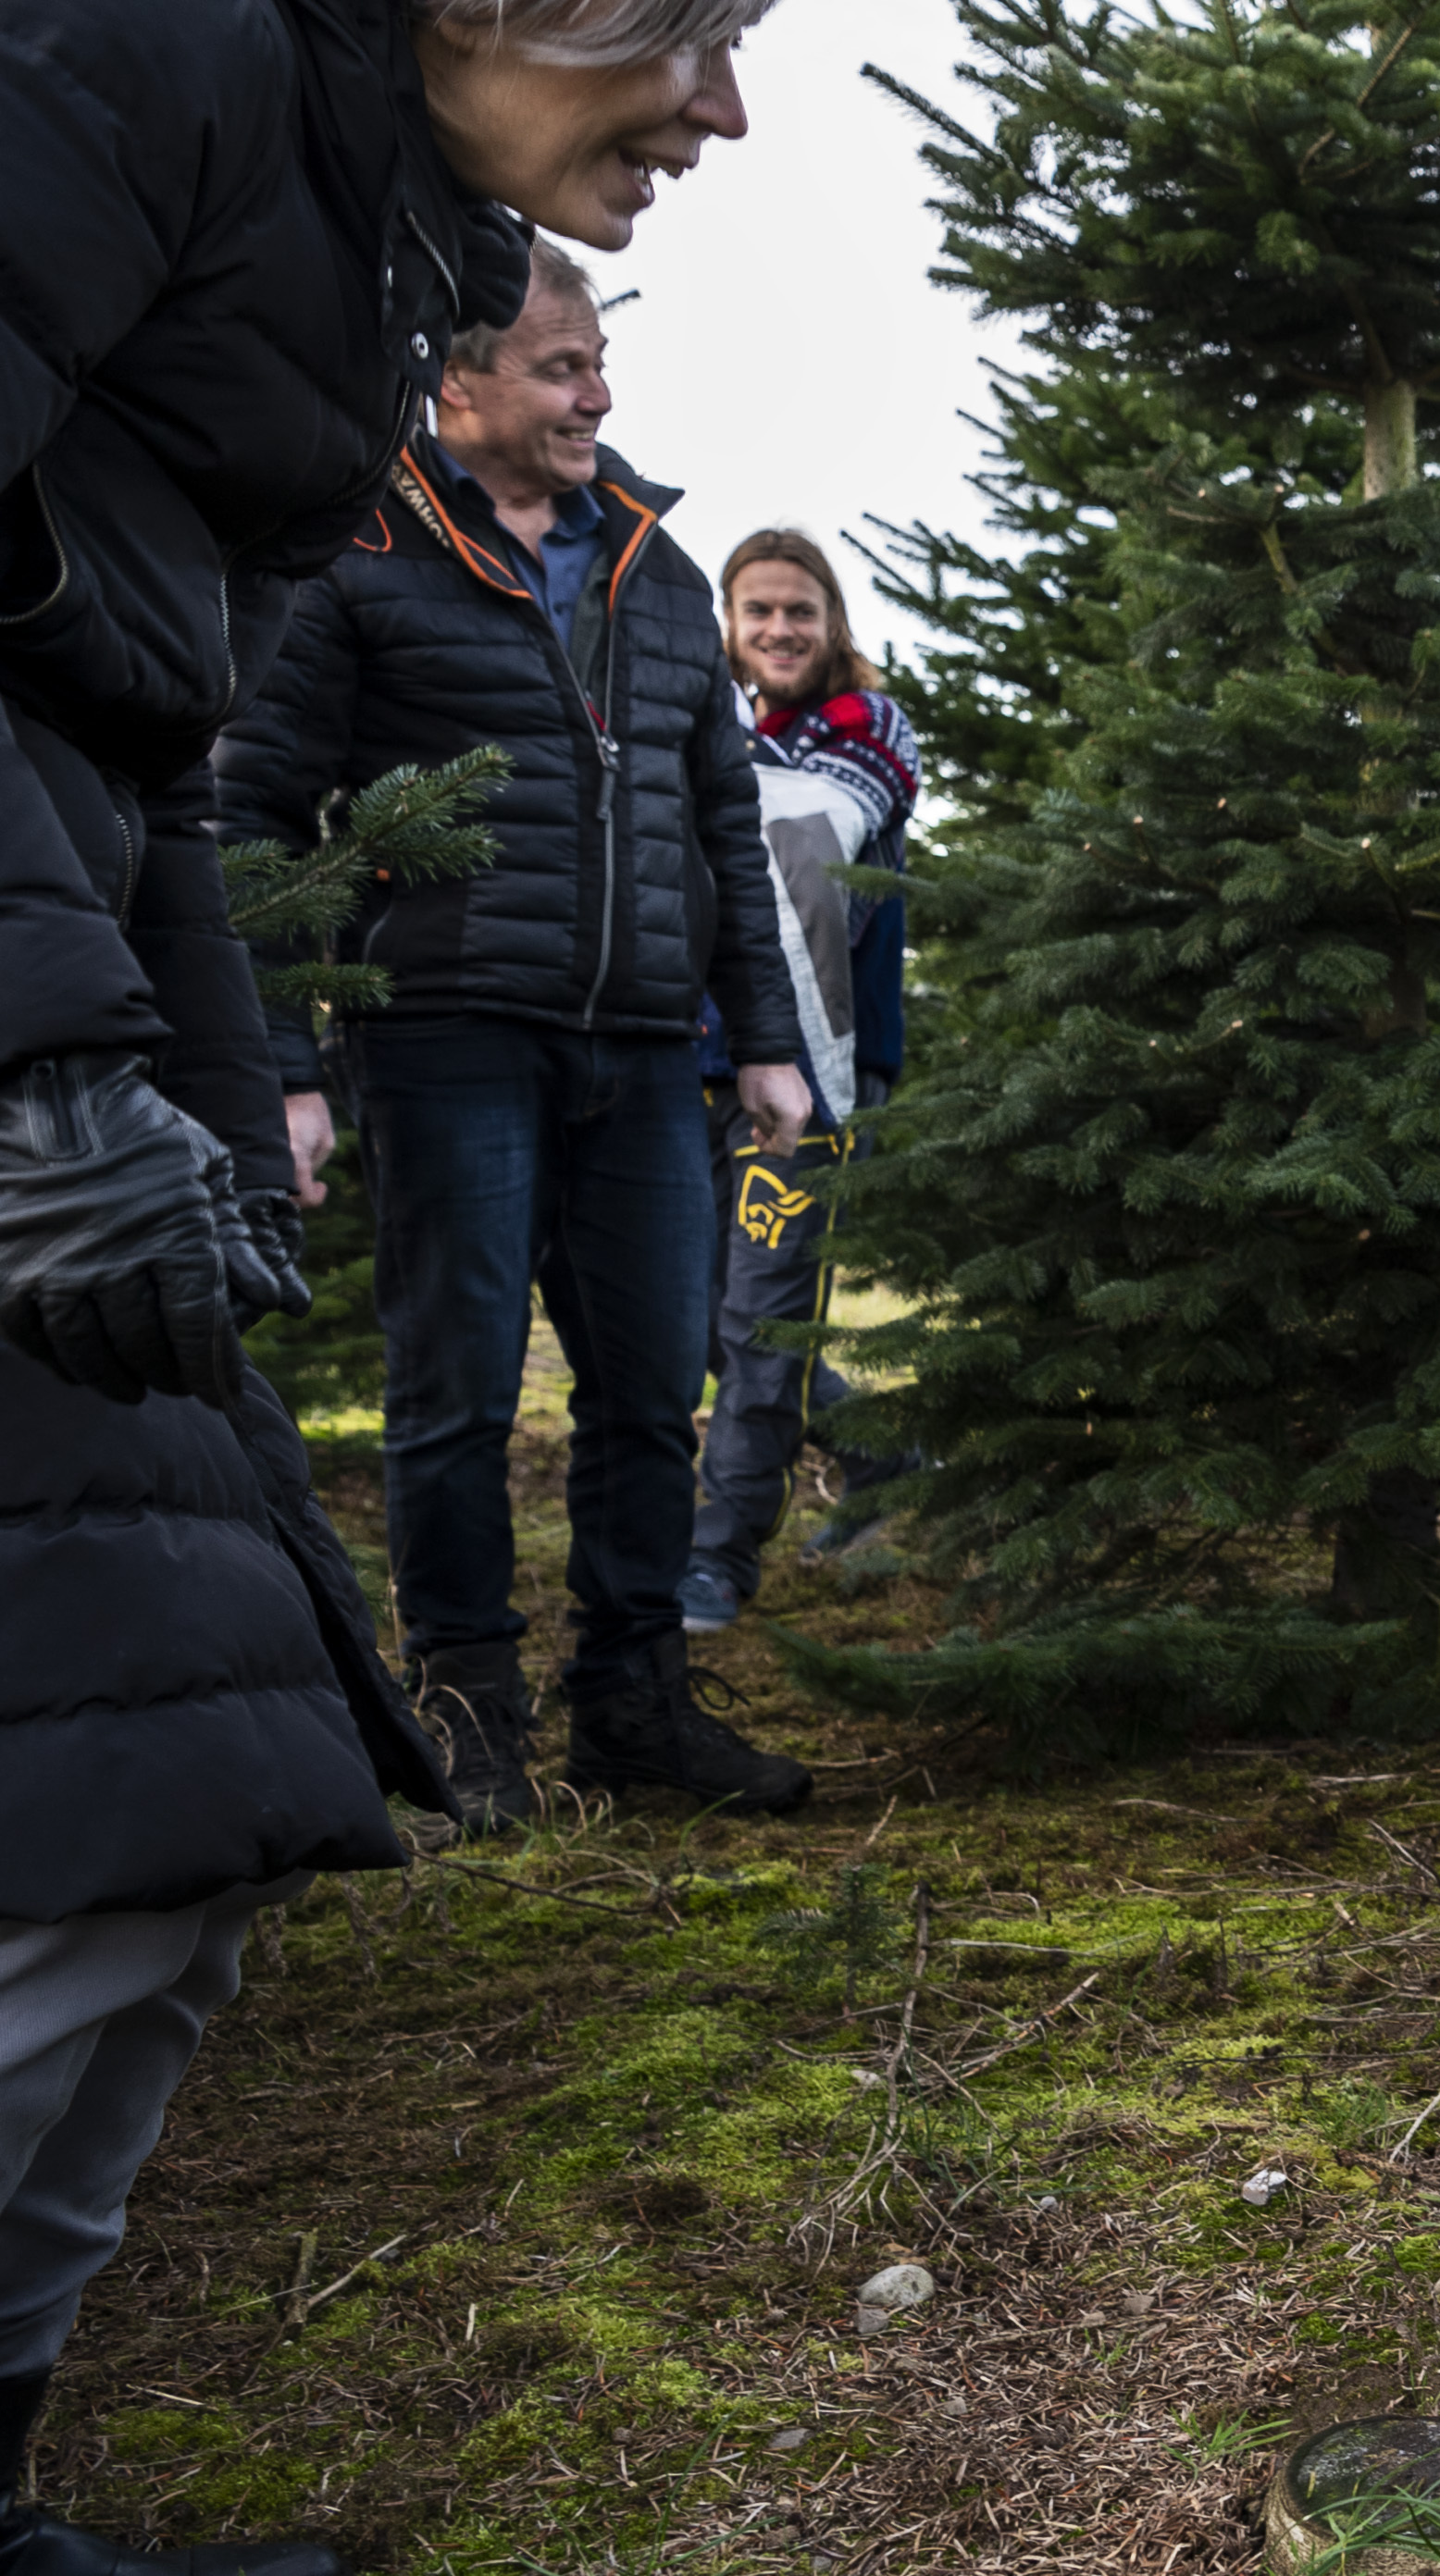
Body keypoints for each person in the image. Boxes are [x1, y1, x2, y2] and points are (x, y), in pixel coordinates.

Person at [0, 5, 773, 2570]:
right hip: (149, 1047)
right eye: (693, 22)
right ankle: (492, 1678)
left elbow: (131, 743)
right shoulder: (135, 63)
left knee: (183, 1804)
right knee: (117, 1792)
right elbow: (243, 757)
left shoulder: (358, 227)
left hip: (138, 1025)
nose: (723, 106)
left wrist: (188, 1097)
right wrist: (46, 1063)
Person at [218, 242, 818, 1832]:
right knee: (459, 1389)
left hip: (642, 1049)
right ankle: (466, 1708)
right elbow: (256, 817)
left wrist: (763, 1037)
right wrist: (283, 1062)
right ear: (458, 383)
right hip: (448, 1043)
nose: (597, 395)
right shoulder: (359, 557)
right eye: (562, 369)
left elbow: (718, 822)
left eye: (600, 366)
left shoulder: (659, 569)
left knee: (647, 1389)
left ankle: (634, 1702)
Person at [679, 530, 919, 1634]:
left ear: (833, 624)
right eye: (757, 611)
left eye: (800, 611)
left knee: (764, 1322)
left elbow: (803, 839)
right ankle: (885, 1455)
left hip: (815, 1071)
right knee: (693, 1321)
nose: (779, 630)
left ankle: (716, 1564)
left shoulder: (867, 731)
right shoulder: (713, 726)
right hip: (690, 1060)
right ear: (727, 624)